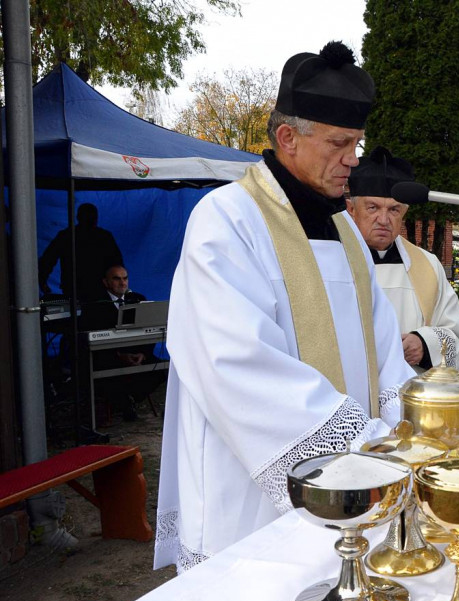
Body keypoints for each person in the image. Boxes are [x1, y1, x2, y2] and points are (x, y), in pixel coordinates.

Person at [154, 42, 413, 573]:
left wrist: (396, 435)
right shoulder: (226, 221)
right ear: (287, 138)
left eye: (357, 144)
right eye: (340, 143)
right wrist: (352, 448)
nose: (353, 160)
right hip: (248, 493)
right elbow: (236, 365)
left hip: (362, 471)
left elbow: (382, 347)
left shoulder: (346, 232)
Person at [346, 146, 459, 372]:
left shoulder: (427, 266)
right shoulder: (332, 261)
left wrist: (424, 344)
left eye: (394, 210)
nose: (383, 219)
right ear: (351, 209)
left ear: (405, 212)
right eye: (372, 207)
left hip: (411, 398)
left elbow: (456, 337)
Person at [81, 265, 162, 421]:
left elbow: (148, 329)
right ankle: (124, 403)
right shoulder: (95, 304)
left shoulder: (138, 299)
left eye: (125, 278)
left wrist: (142, 354)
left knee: (162, 369)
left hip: (137, 356)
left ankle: (128, 399)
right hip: (111, 357)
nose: (122, 283)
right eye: (116, 279)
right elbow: (91, 337)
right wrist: (120, 356)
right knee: (107, 373)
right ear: (106, 282)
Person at [38, 203, 124, 301]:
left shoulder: (66, 235)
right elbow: (117, 263)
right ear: (96, 218)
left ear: (78, 217)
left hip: (76, 288)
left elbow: (48, 259)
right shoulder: (104, 237)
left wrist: (42, 280)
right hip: (97, 288)